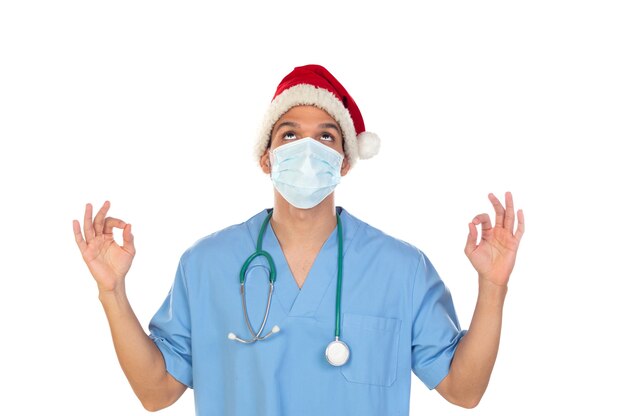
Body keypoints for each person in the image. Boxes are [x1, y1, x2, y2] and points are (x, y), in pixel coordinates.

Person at [73, 64, 524, 415]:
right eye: (290, 135)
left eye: (326, 137)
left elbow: (463, 392)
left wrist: (493, 288)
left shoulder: (401, 268)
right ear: (266, 159)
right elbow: (156, 394)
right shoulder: (206, 264)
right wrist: (112, 292)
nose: (307, 150)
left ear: (344, 162)